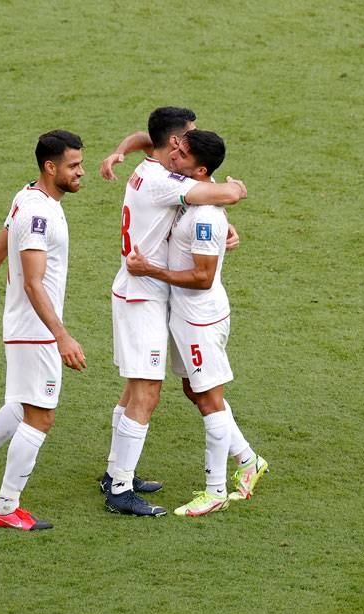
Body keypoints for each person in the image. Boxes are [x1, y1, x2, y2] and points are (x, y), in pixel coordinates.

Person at [102, 107, 247, 517]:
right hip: (141, 295)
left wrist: (118, 151)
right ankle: (120, 491)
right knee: (147, 393)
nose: (189, 143)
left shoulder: (152, 165)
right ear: (173, 145)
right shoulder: (165, 183)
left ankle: (115, 473)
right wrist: (234, 192)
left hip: (139, 291)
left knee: (133, 390)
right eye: (187, 139)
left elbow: (142, 138)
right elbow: (223, 193)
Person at [0, 130, 86, 531]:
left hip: (24, 325)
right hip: (36, 329)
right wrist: (61, 335)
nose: (81, 173)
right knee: (41, 417)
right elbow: (33, 282)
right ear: (50, 167)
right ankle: (6, 508)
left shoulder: (26, 196)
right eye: (74, 166)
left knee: (23, 404)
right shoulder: (38, 214)